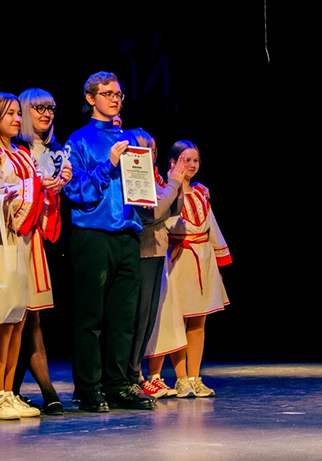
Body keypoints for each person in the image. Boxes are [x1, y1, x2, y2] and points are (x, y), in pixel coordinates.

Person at [62, 71, 154, 411]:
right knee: (91, 317)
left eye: (118, 94)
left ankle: (118, 384)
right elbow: (74, 190)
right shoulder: (79, 140)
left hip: (128, 232)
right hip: (94, 234)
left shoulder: (130, 137)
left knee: (123, 316)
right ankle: (89, 387)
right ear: (91, 99)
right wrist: (109, 164)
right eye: (107, 93)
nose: (115, 99)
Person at [0, 92, 67, 419]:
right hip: (6, 237)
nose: (17, 119)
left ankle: (8, 392)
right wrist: (36, 187)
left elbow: (33, 191)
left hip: (27, 239)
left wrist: (52, 187)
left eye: (18, 113)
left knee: (19, 319)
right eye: (10, 114)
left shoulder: (22, 153)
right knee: (3, 320)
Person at [145, 140, 232, 397]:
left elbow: (210, 227)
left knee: (198, 321)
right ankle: (181, 378)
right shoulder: (165, 191)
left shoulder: (201, 193)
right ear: (173, 163)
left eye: (195, 161)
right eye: (186, 160)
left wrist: (219, 258)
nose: (192, 165)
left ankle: (194, 377)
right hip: (179, 259)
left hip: (202, 261)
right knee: (177, 321)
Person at [11, 87, 71, 415]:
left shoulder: (57, 151)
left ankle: (12, 391)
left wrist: (61, 186)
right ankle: (47, 392)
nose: (47, 114)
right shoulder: (13, 149)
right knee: (22, 317)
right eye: (39, 108)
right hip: (16, 237)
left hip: (45, 241)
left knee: (31, 317)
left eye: (51, 108)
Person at [124, 129, 186, 399]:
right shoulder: (136, 177)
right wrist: (173, 185)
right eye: (144, 148)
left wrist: (177, 185)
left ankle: (134, 374)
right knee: (139, 318)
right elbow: (154, 212)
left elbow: (172, 209)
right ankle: (130, 374)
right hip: (143, 252)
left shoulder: (155, 178)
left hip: (157, 251)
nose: (150, 154)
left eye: (153, 149)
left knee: (148, 318)